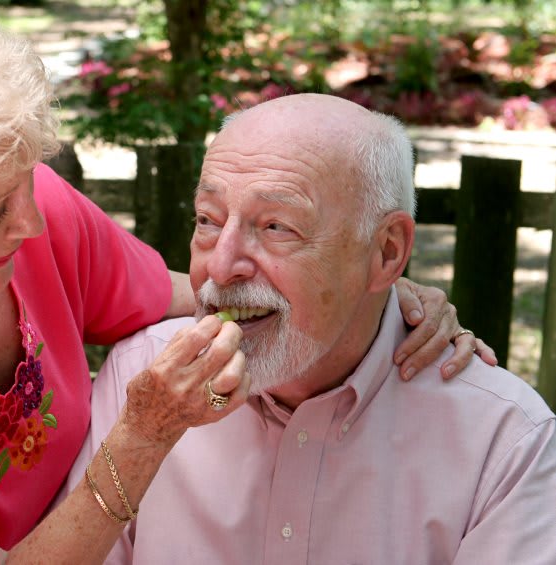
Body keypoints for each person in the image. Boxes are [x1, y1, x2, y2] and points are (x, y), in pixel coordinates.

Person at [0, 0, 488, 562]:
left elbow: (195, 290)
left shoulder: (28, 209)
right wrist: (145, 434)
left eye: (27, 180)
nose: (31, 221)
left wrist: (374, 288)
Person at [69, 94, 556, 565]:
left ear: (386, 252)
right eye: (207, 219)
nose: (220, 267)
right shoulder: (141, 383)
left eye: (277, 227)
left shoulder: (504, 443)